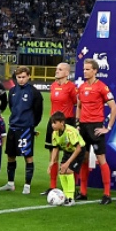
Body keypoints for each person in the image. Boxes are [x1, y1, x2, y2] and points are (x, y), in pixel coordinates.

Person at [74, 59, 116, 204]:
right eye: (84, 69)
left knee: (101, 159)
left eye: (87, 69)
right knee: (84, 158)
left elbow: (114, 108)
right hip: (84, 127)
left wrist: (108, 128)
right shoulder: (82, 87)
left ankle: (107, 194)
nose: (84, 71)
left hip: (96, 127)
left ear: (95, 71)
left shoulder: (102, 87)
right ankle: (83, 191)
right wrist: (78, 123)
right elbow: (79, 106)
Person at [3, 66, 41, 194]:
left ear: (29, 76)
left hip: (25, 129)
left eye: (24, 77)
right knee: (10, 155)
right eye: (19, 77)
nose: (21, 80)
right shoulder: (12, 91)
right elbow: (12, 107)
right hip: (13, 127)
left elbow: (38, 112)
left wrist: (31, 125)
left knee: (28, 156)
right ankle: (10, 183)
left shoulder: (34, 92)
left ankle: (27, 185)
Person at [46, 61, 78, 195]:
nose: (56, 71)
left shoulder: (71, 87)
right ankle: (52, 186)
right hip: (53, 122)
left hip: (67, 123)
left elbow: (77, 103)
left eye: (60, 69)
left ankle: (71, 187)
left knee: (69, 154)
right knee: (53, 153)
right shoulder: (53, 86)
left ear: (66, 73)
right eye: (56, 68)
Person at [48, 112, 86, 206]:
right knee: (61, 171)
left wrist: (68, 163)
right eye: (52, 123)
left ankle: (71, 198)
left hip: (78, 152)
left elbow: (78, 148)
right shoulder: (55, 133)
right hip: (67, 151)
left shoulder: (70, 132)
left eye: (54, 123)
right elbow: (55, 147)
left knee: (68, 171)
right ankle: (65, 195)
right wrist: (52, 162)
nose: (52, 125)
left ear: (62, 123)